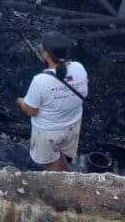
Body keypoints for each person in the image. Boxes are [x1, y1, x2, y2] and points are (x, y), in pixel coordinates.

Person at [16, 31, 88, 171]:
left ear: (46, 54)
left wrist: (20, 102)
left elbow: (31, 110)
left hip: (49, 132)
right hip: (72, 125)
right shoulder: (79, 68)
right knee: (61, 154)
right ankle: (67, 176)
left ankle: (62, 189)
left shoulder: (40, 81)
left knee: (52, 167)